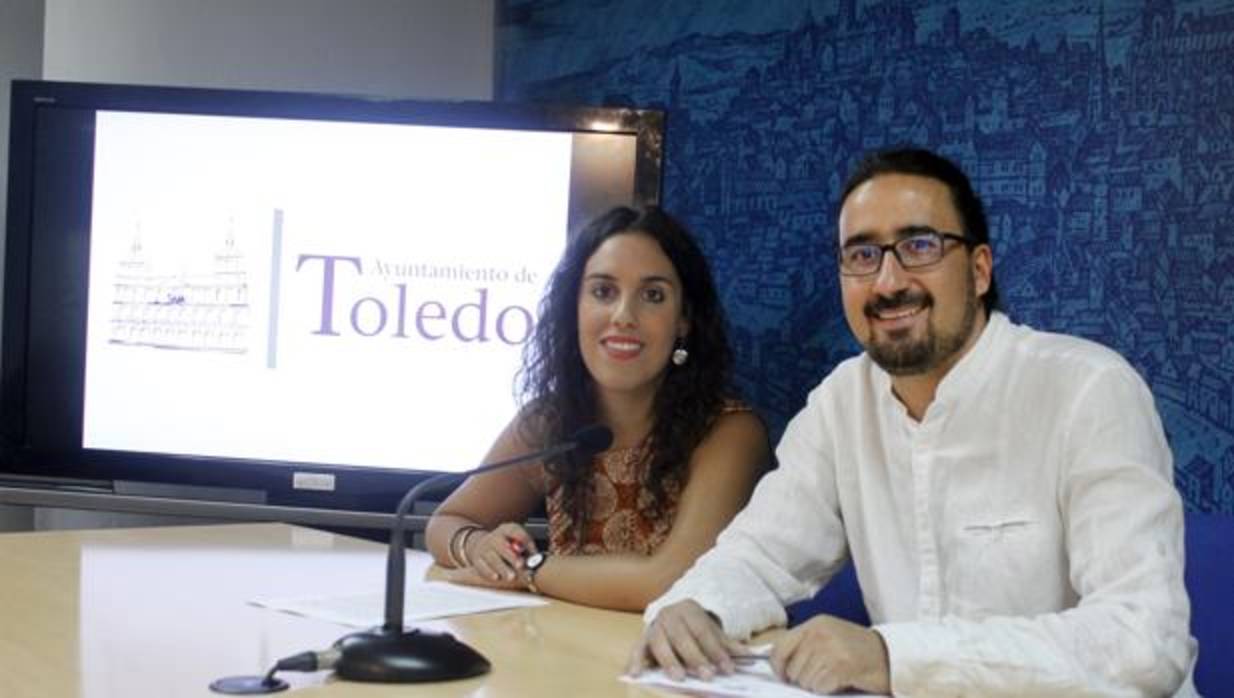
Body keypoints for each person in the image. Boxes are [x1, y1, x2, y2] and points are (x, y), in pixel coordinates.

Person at [629, 148, 1197, 696]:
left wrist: (892, 657)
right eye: (861, 255)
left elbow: (1143, 641)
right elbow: (760, 554)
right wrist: (695, 607)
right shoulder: (841, 403)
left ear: (979, 270)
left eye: (919, 246)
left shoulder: (1088, 390)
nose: (887, 282)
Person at [425, 205, 769, 611]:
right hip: (562, 654)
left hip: (669, 665)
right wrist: (480, 547)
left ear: (684, 321)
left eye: (653, 295)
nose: (623, 316)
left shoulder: (730, 433)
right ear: (575, 308)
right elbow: (444, 522)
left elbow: (671, 580)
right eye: (603, 292)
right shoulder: (550, 423)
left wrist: (530, 569)